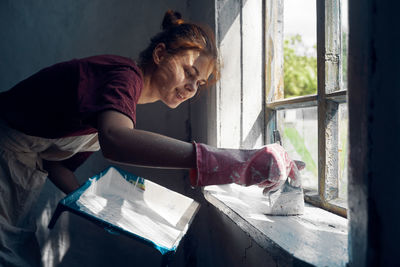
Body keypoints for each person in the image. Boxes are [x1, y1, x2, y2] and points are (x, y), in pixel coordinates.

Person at [0, 10, 302, 267]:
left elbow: (57, 165)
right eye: (188, 72)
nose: (191, 88)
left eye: (198, 83)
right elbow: (116, 140)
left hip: (22, 171)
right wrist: (231, 162)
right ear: (159, 55)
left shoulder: (120, 108)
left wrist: (99, 206)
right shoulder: (124, 77)